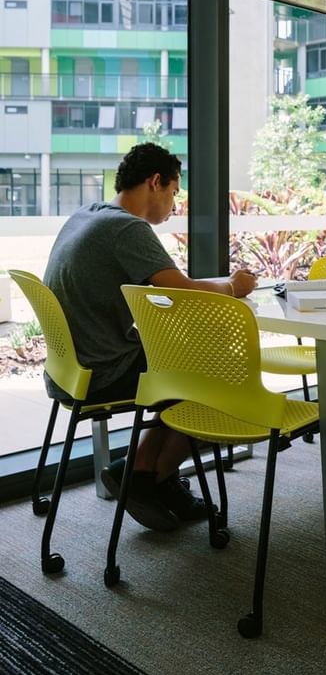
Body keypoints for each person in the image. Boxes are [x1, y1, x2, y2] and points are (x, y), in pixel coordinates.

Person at [44, 142, 257, 531]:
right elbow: (180, 292)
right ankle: (147, 473)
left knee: (195, 366)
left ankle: (144, 474)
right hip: (106, 370)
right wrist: (233, 288)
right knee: (223, 374)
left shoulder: (89, 215)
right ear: (155, 182)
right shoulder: (126, 227)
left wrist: (218, 285)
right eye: (175, 192)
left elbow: (167, 290)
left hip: (72, 368)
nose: (174, 205)